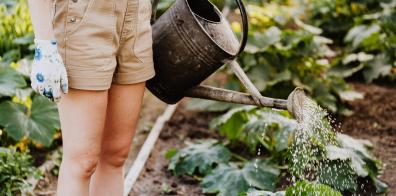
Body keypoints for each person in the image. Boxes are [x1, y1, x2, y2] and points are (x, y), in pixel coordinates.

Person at [27, 0, 155, 195]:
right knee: (82, 162)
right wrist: (44, 44)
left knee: (115, 155)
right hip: (85, 17)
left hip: (137, 14)